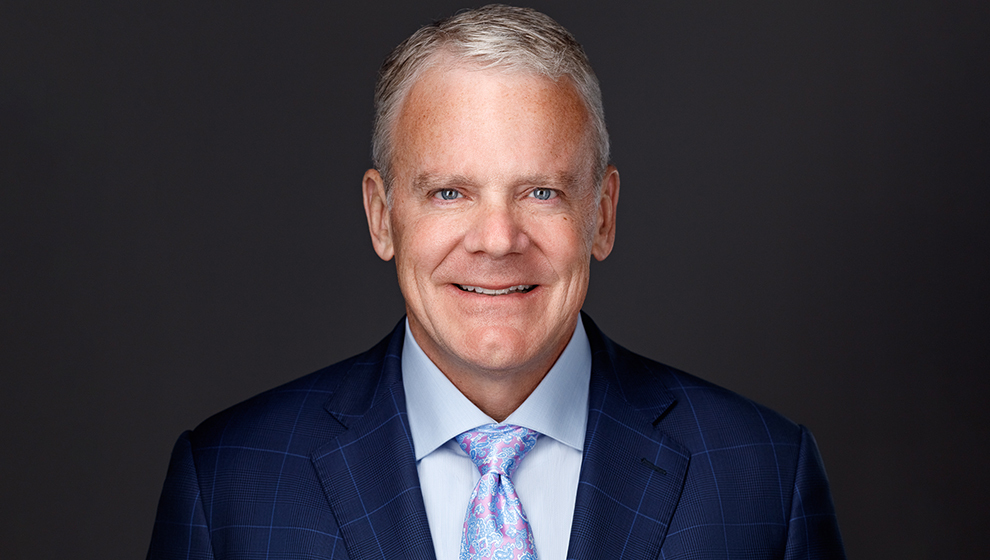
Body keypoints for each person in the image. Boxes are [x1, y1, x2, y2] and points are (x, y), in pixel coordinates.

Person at [147, 5, 845, 559]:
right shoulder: (231, 484)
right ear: (381, 216)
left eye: (541, 192)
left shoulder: (761, 475)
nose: (498, 239)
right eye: (449, 193)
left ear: (601, 215)